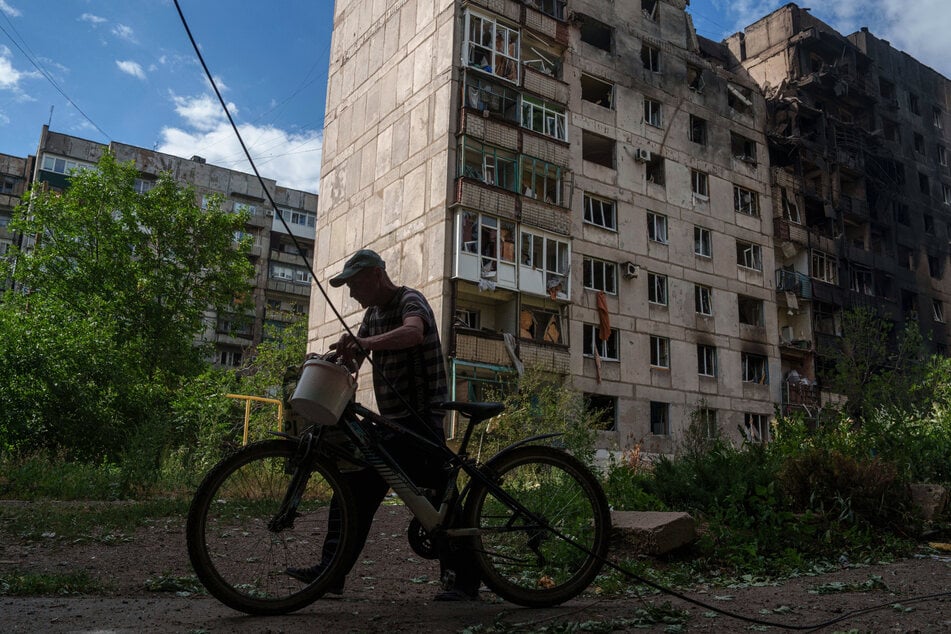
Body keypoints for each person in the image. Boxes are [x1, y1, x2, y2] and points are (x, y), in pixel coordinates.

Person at [287, 249, 481, 602]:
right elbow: (357, 355)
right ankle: (332, 573)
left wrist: (365, 342)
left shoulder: (410, 300)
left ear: (376, 275)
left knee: (438, 499)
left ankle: (464, 582)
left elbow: (412, 334)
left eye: (355, 283)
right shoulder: (373, 315)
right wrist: (332, 358)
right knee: (355, 490)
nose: (351, 293)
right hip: (395, 424)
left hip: (421, 421)